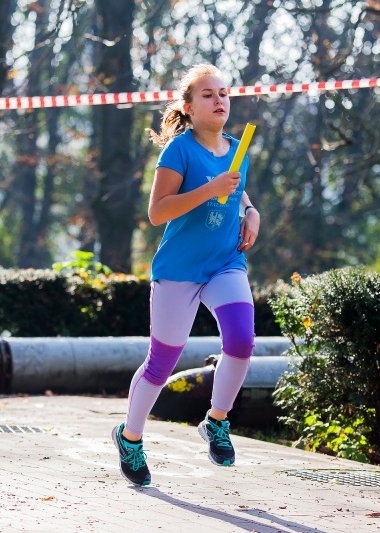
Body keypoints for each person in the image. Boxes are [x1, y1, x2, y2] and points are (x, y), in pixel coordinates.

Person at [112, 64, 260, 486]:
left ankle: (217, 420)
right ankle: (130, 437)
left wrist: (250, 211)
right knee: (162, 363)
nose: (219, 101)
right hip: (178, 269)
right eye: (208, 95)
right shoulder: (179, 150)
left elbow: (237, 187)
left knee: (241, 340)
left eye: (224, 93)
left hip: (224, 262)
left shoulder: (238, 147)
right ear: (189, 108)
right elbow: (158, 212)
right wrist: (210, 191)